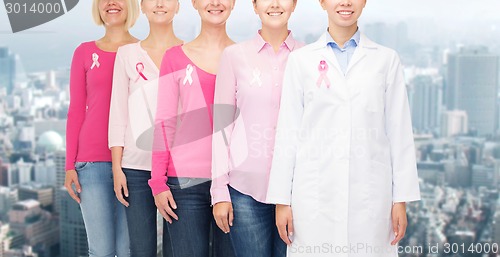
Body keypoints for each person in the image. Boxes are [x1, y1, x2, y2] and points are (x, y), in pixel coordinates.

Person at [266, 1, 421, 257]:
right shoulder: (301, 61)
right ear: (322, 2)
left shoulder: (386, 59)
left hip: (370, 197)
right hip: (314, 196)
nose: (346, 3)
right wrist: (282, 201)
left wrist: (400, 200)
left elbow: (399, 133)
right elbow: (287, 133)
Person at [210, 0, 303, 257]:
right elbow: (221, 127)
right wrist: (219, 192)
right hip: (244, 191)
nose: (274, 4)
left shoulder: (309, 57)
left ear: (294, 4)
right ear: (254, 5)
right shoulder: (234, 56)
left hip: (298, 190)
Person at [148, 0, 236, 256]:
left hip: (234, 182)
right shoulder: (174, 57)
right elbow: (164, 121)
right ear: (195, 3)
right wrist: (158, 183)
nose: (216, 3)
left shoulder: (243, 57)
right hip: (184, 184)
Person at [64, 0, 139, 256]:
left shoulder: (143, 50)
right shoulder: (84, 52)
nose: (111, 3)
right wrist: (69, 166)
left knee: (129, 249)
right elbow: (76, 111)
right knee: (101, 250)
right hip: (91, 164)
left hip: (133, 163)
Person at [108, 0, 183, 256]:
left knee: (178, 250)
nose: (160, 4)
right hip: (135, 169)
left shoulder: (190, 53)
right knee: (141, 249)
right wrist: (117, 169)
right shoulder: (127, 54)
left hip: (178, 169)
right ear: (142, 6)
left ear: (178, 6)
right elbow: (118, 114)